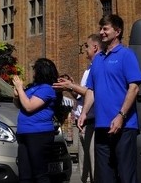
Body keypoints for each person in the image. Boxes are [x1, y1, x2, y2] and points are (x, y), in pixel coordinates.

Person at [78, 14, 141, 183]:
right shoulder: (98, 59)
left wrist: (121, 116)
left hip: (124, 127)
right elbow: (91, 90)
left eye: (105, 29)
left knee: (125, 175)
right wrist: (84, 113)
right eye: (100, 29)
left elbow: (134, 87)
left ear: (117, 31)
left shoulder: (126, 55)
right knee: (104, 177)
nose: (101, 32)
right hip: (101, 126)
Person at [54, 34, 101, 183]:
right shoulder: (88, 69)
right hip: (83, 123)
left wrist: (72, 86)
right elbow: (82, 96)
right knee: (84, 171)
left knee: (94, 168)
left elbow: (92, 92)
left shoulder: (98, 67)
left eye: (86, 46)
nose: (84, 49)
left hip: (92, 121)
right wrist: (71, 89)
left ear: (95, 47)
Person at [12, 58, 63, 183]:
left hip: (38, 135)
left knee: (39, 174)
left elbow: (29, 107)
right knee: (24, 175)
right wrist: (17, 94)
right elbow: (20, 105)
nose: (33, 73)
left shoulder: (47, 89)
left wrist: (20, 88)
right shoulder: (34, 87)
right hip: (24, 133)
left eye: (35, 70)